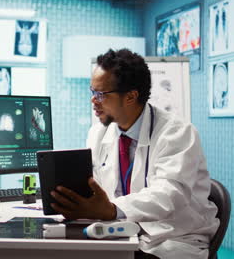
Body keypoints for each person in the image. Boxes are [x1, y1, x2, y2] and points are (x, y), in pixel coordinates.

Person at [51, 49, 219, 259]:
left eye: (101, 94)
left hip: (173, 237)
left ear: (131, 96)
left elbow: (169, 195)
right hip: (124, 232)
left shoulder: (177, 133)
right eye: (92, 92)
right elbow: (95, 186)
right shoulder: (99, 133)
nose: (93, 101)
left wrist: (112, 210)